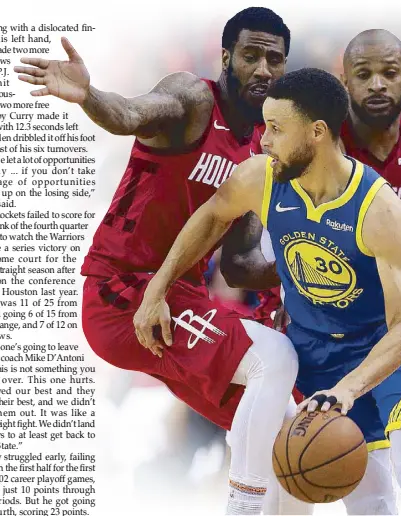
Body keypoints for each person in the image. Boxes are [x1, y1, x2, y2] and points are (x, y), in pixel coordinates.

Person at [136, 67, 401, 515]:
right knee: (369, 502)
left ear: (316, 132)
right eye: (264, 128)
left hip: (391, 350)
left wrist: (351, 389)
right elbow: (212, 216)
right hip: (315, 352)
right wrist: (157, 287)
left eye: (276, 129)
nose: (263, 141)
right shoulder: (261, 177)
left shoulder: (378, 209)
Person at [16, 8, 301, 515]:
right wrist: (89, 96)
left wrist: (305, 273)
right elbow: (128, 114)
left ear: (284, 69)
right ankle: (245, 505)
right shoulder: (193, 99)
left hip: (175, 299)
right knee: (274, 358)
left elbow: (238, 264)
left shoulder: (260, 147)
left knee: (285, 429)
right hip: (121, 293)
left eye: (273, 60)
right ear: (226, 58)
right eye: (251, 55)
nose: (262, 69)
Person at [221, 30, 401, 460]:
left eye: (389, 73)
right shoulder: (314, 145)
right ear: (344, 82)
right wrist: (301, 277)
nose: (377, 85)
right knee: (297, 465)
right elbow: (241, 261)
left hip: (389, 311)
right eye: (363, 75)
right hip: (314, 318)